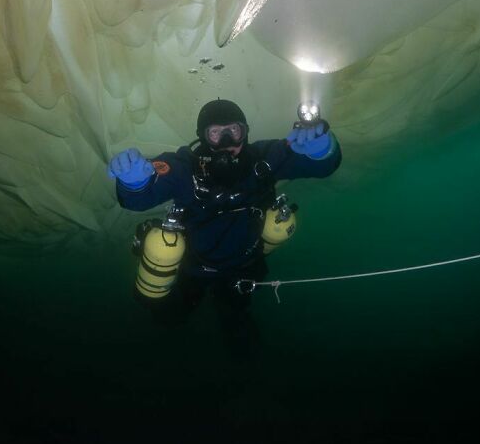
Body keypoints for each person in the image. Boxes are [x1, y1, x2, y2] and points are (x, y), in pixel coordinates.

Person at [108, 98, 341, 347]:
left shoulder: (262, 160)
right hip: (194, 268)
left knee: (238, 323)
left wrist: (322, 149)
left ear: (245, 132)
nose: (227, 142)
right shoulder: (186, 167)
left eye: (234, 130)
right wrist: (134, 183)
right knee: (169, 318)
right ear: (203, 137)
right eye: (216, 133)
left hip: (242, 267)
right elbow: (140, 198)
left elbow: (323, 166)